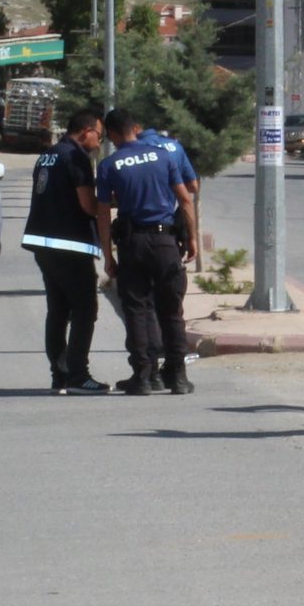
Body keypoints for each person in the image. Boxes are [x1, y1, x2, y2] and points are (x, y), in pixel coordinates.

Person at [94, 108, 200, 396]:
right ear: (135, 128)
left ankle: (143, 376)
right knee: (172, 311)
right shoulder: (164, 156)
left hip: (133, 245)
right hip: (166, 243)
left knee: (137, 309)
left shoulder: (109, 166)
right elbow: (186, 199)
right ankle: (177, 376)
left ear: (114, 134)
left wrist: (108, 255)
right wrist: (192, 239)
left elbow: (103, 214)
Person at [22, 103, 107, 395]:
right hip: (70, 245)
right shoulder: (76, 158)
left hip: (43, 244)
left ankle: (59, 374)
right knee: (85, 309)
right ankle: (78, 375)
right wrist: (110, 205)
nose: (100, 142)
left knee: (57, 311)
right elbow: (88, 205)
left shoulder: (48, 155)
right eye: (99, 135)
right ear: (86, 132)